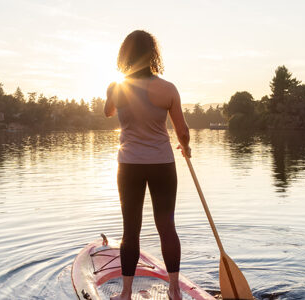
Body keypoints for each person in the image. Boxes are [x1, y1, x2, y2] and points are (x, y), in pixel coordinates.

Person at [104, 30, 191, 300]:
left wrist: (115, 93)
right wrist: (185, 147)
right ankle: (175, 290)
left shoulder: (117, 87)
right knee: (167, 226)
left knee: (131, 230)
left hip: (129, 165)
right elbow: (182, 130)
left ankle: (126, 293)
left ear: (125, 55)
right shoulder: (168, 89)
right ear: (153, 55)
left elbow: (108, 112)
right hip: (162, 164)